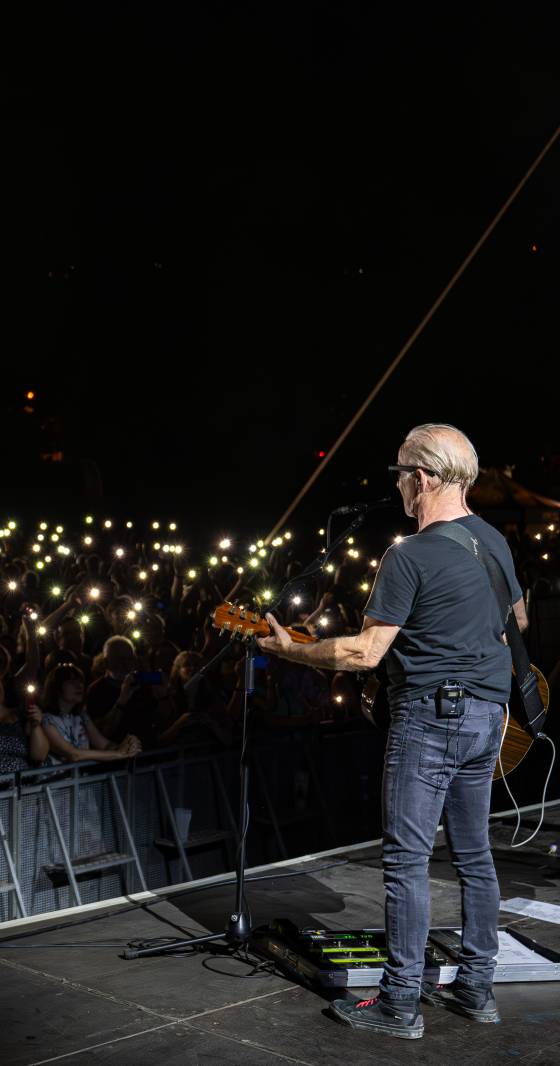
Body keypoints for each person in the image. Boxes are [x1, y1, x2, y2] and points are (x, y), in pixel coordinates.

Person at [259, 424, 520, 1038]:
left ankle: (401, 1003)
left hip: (432, 719)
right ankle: (477, 990)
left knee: (407, 861)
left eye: (401, 473)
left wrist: (287, 651)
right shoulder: (496, 543)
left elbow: (363, 655)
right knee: (475, 856)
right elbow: (516, 623)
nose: (399, 485)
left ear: (423, 479)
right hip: (489, 716)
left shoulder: (409, 554)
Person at [35, 664, 140, 766]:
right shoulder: (46, 719)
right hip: (56, 782)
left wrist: (127, 747)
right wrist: (119, 753)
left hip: (80, 780)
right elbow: (73, 754)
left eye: (80, 681)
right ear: (56, 687)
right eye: (72, 681)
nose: (79, 685)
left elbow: (105, 745)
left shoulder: (81, 716)